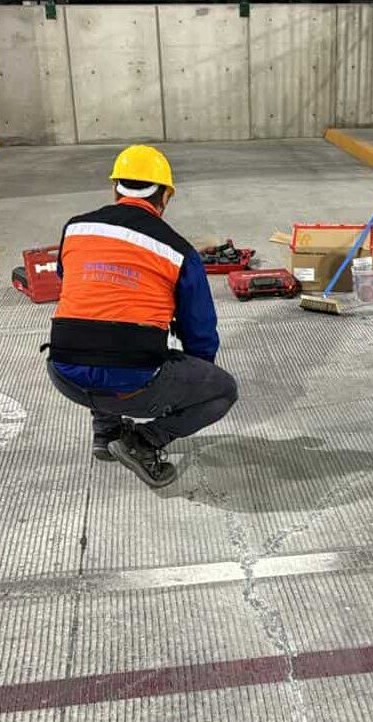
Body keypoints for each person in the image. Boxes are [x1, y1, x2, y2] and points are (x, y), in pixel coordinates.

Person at [44, 144, 237, 487]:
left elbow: (68, 279)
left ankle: (106, 435)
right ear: (165, 196)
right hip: (131, 382)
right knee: (221, 390)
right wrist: (198, 375)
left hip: (63, 373)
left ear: (115, 188)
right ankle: (142, 442)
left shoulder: (75, 228)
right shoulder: (179, 252)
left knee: (101, 333)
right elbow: (199, 332)